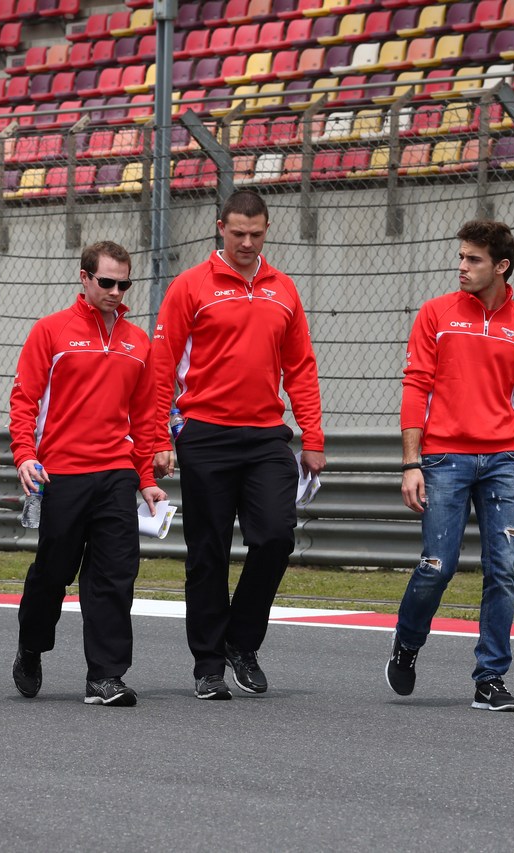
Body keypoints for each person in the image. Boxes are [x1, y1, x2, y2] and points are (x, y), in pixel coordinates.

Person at [150, 188, 326, 700]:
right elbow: (162, 367)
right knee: (207, 552)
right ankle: (208, 664)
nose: (247, 242)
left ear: (266, 230)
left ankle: (241, 643)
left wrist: (312, 436)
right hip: (204, 434)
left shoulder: (283, 289)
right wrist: (159, 434)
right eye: (238, 233)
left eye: (257, 233)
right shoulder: (190, 286)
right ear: (219, 227)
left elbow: (302, 368)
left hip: (267, 435)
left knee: (274, 536)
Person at [385, 219, 514, 712]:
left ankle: (490, 679)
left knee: (503, 570)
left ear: (501, 266)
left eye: (473, 259)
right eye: (460, 257)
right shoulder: (436, 314)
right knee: (438, 567)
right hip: (443, 459)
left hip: (503, 462)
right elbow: (415, 387)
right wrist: (410, 463)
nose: (461, 266)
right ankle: (408, 643)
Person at [9, 241, 166, 707]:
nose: (116, 291)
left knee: (116, 575)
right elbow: (24, 400)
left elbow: (145, 418)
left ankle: (105, 676)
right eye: (107, 282)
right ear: (84, 278)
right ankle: (31, 646)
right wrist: (23, 454)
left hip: (116, 473)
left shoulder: (140, 343)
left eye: (124, 284)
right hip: (61, 474)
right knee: (53, 574)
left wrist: (147, 478)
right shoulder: (51, 332)